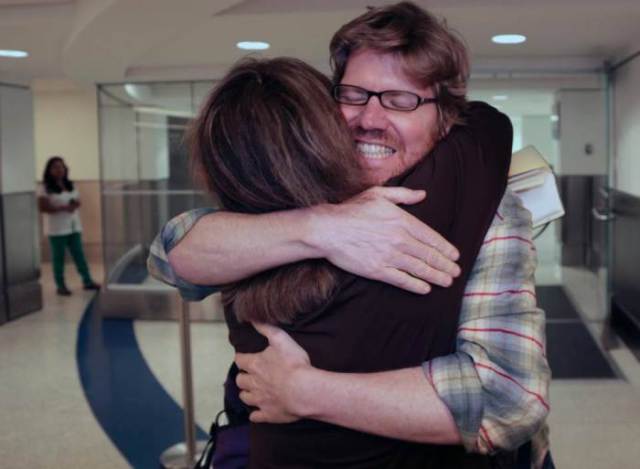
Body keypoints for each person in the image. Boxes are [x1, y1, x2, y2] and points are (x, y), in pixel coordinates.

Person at [148, 2, 551, 467]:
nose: (370, 118)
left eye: (402, 99)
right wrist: (320, 228)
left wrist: (304, 390)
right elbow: (168, 255)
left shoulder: (490, 216)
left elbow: (510, 400)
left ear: (445, 121)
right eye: (354, 95)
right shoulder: (299, 197)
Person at [38, 156, 100, 296]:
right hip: (57, 229)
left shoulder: (70, 185)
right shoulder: (45, 188)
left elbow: (77, 200)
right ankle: (61, 285)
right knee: (58, 259)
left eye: (62, 166)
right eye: (55, 167)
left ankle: (87, 281)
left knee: (79, 255)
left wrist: (75, 204)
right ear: (49, 170)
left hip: (73, 226)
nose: (59, 170)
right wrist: (62, 208)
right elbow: (42, 208)